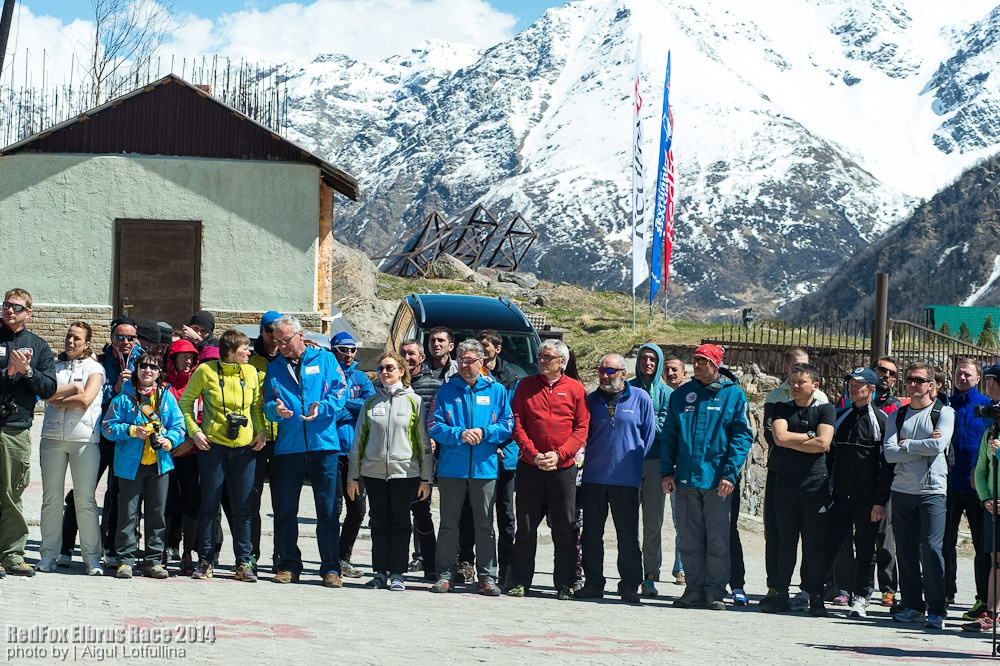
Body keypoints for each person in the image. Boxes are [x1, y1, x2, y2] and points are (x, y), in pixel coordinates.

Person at [662, 343, 752, 611]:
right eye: (695, 360)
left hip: (718, 483)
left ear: (715, 365)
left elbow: (742, 437)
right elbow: (669, 437)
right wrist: (667, 471)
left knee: (717, 540)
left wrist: (729, 473)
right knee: (688, 538)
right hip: (686, 480)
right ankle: (693, 589)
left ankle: (714, 592)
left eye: (703, 361)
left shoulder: (733, 395)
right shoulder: (681, 396)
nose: (697, 366)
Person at [263, 315, 347, 587]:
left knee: (328, 511)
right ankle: (288, 565)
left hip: (324, 446)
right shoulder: (274, 368)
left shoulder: (325, 360)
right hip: (289, 449)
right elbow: (266, 404)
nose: (282, 346)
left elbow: (340, 392)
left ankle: (331, 568)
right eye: (278, 342)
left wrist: (322, 408)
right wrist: (274, 412)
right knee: (285, 510)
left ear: (300, 336)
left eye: (286, 340)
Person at [179, 329, 266, 581]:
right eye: (244, 349)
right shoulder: (205, 372)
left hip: (245, 448)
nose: (248, 352)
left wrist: (260, 432)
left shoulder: (250, 372)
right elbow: (185, 404)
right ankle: (205, 560)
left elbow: (256, 407)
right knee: (209, 505)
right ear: (229, 351)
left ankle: (243, 562)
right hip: (213, 447)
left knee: (243, 508)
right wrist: (195, 432)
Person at [428, 340, 512, 595]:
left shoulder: (496, 390)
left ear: (482, 362)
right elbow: (434, 424)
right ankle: (444, 574)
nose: (464, 365)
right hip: (452, 468)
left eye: (469, 361)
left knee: (485, 524)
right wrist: (459, 434)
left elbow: (508, 424)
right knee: (448, 524)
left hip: (484, 468)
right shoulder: (446, 390)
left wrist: (484, 432)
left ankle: (487, 576)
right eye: (461, 361)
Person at [506, 339, 589, 598]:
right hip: (530, 467)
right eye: (540, 356)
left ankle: (564, 583)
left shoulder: (575, 389)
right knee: (526, 528)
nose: (542, 360)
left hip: (563, 468)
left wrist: (560, 454)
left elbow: (581, 428)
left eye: (548, 357)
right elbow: (516, 423)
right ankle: (519, 581)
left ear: (561, 362)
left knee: (565, 527)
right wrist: (533, 454)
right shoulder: (526, 386)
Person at [346, 352, 432, 591]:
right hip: (373, 473)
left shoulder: (414, 402)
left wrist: (426, 478)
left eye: (390, 368)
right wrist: (353, 477)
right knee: (379, 522)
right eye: (381, 368)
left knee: (401, 523)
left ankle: (397, 573)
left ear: (402, 371)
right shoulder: (371, 402)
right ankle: (380, 572)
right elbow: (358, 443)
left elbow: (423, 442)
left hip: (405, 473)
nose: (384, 372)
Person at [576, 353, 655, 603]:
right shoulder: (591, 400)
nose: (604, 375)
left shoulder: (641, 398)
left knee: (627, 534)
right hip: (594, 477)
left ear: (622, 373)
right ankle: (593, 583)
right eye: (602, 370)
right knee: (591, 533)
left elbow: (649, 434)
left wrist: (633, 462)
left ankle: (630, 585)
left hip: (626, 479)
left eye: (610, 371)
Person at [883, 362, 955, 630]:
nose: (913, 384)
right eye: (910, 379)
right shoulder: (897, 416)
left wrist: (907, 445)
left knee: (932, 549)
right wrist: (922, 447)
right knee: (906, 550)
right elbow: (889, 454)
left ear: (932, 386)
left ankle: (937, 609)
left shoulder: (943, 413)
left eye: (919, 380)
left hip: (932, 491)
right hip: (902, 491)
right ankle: (913, 605)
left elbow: (939, 445)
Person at [761, 363, 836, 617]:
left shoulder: (826, 409)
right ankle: (780, 592)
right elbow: (779, 438)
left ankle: (815, 595)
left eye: (800, 382)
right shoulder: (782, 408)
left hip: (815, 483)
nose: (794, 386)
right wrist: (810, 437)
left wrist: (802, 439)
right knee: (785, 542)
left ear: (815, 385)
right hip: (785, 483)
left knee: (814, 543)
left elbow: (824, 443)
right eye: (792, 381)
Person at [102, 351, 184, 579]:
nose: (148, 370)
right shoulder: (123, 398)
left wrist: (169, 441)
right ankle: (125, 560)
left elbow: (179, 426)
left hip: (159, 466)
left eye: (153, 367)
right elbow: (107, 428)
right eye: (144, 366)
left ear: (159, 373)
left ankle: (153, 560)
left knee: (156, 515)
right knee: (127, 515)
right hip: (130, 466)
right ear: (137, 369)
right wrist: (131, 431)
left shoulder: (166, 397)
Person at [37, 322, 105, 576]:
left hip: (84, 440)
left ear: (87, 343)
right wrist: (62, 395)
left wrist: (57, 396)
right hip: (52, 437)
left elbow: (86, 398)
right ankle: (48, 555)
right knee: (50, 498)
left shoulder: (95, 368)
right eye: (68, 336)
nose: (71, 341)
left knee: (84, 500)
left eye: (77, 338)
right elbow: (42, 394)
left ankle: (92, 558)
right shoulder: (53, 367)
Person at [825, 367, 892, 618]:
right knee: (831, 545)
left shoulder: (882, 421)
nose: (853, 388)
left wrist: (880, 502)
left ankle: (862, 596)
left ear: (871, 389)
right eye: (850, 383)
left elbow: (887, 467)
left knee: (865, 549)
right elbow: (829, 459)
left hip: (868, 501)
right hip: (841, 497)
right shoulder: (839, 416)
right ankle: (824, 590)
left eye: (859, 384)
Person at [0, 288, 57, 576]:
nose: (10, 310)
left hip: (15, 430)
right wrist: (8, 374)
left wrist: (27, 372)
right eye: (6, 304)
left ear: (28, 313)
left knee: (12, 494)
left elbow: (49, 389)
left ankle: (12, 555)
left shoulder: (39, 346)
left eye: (17, 307)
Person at [94, 316, 143, 567]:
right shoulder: (102, 360)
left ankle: (114, 546)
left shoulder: (143, 360)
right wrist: (114, 388)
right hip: (104, 431)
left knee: (117, 492)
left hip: (130, 435)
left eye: (131, 337)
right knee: (86, 487)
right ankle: (70, 543)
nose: (125, 342)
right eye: (120, 337)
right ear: (112, 337)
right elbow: (96, 396)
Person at [945, 358, 992, 619]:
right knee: (944, 543)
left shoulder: (986, 407)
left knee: (981, 547)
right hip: (949, 485)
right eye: (959, 374)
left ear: (977, 378)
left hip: (977, 488)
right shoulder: (946, 406)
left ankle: (982, 599)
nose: (962, 378)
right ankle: (944, 591)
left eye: (967, 374)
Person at [628, 343, 672, 597]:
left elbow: (663, 428)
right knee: (628, 523)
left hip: (656, 463)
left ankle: (651, 575)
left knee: (653, 524)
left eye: (653, 359)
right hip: (630, 463)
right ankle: (631, 574)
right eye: (644, 358)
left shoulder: (667, 393)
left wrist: (640, 422)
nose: (648, 363)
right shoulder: (629, 388)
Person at [331, 332, 375, 579]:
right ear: (333, 350)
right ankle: (330, 559)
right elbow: (330, 411)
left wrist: (345, 405)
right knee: (333, 509)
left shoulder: (360, 377)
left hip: (357, 453)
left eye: (352, 349)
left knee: (357, 509)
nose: (348, 354)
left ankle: (343, 557)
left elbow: (370, 406)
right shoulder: (328, 375)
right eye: (342, 349)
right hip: (332, 451)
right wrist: (352, 407)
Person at [476, 328, 518, 585]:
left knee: (505, 515)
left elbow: (513, 419)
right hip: (481, 455)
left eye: (486, 346)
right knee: (478, 514)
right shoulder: (471, 376)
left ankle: (507, 568)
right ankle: (473, 565)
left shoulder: (511, 380)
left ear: (497, 349)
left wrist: (499, 444)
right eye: (479, 346)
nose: (482, 350)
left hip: (506, 456)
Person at [964, 363, 1000, 632]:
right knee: (995, 560)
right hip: (993, 508)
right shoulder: (991, 433)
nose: (988, 384)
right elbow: (981, 468)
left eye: (992, 379)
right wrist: (987, 498)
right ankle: (992, 613)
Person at [401, 338, 440, 580]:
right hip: (395, 460)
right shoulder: (386, 383)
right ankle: (395, 563)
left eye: (412, 353)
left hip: (423, 459)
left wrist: (433, 436)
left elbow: (438, 418)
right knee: (395, 514)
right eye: (403, 353)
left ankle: (430, 562)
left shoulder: (435, 385)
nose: (407, 357)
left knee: (422, 512)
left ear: (422, 357)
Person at [163, 338, 200, 573]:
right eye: (182, 356)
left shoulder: (199, 383)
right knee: (166, 503)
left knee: (191, 504)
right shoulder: (165, 385)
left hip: (192, 452)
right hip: (167, 453)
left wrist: (188, 442)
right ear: (172, 359)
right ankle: (165, 548)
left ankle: (189, 551)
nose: (187, 361)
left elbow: (203, 416)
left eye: (191, 357)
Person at [248, 310, 281, 570]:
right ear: (262, 330)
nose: (274, 334)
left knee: (283, 503)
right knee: (251, 500)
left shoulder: (290, 358)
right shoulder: (249, 359)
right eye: (269, 329)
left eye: (278, 329)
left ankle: (281, 556)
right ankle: (250, 555)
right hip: (256, 439)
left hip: (283, 440)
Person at [661, 353, 687, 585]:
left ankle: (681, 569)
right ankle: (649, 570)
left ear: (684, 373)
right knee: (653, 523)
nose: (671, 373)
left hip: (679, 467)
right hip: (654, 462)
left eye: (675, 369)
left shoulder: (689, 399)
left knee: (681, 520)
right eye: (667, 369)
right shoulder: (658, 395)